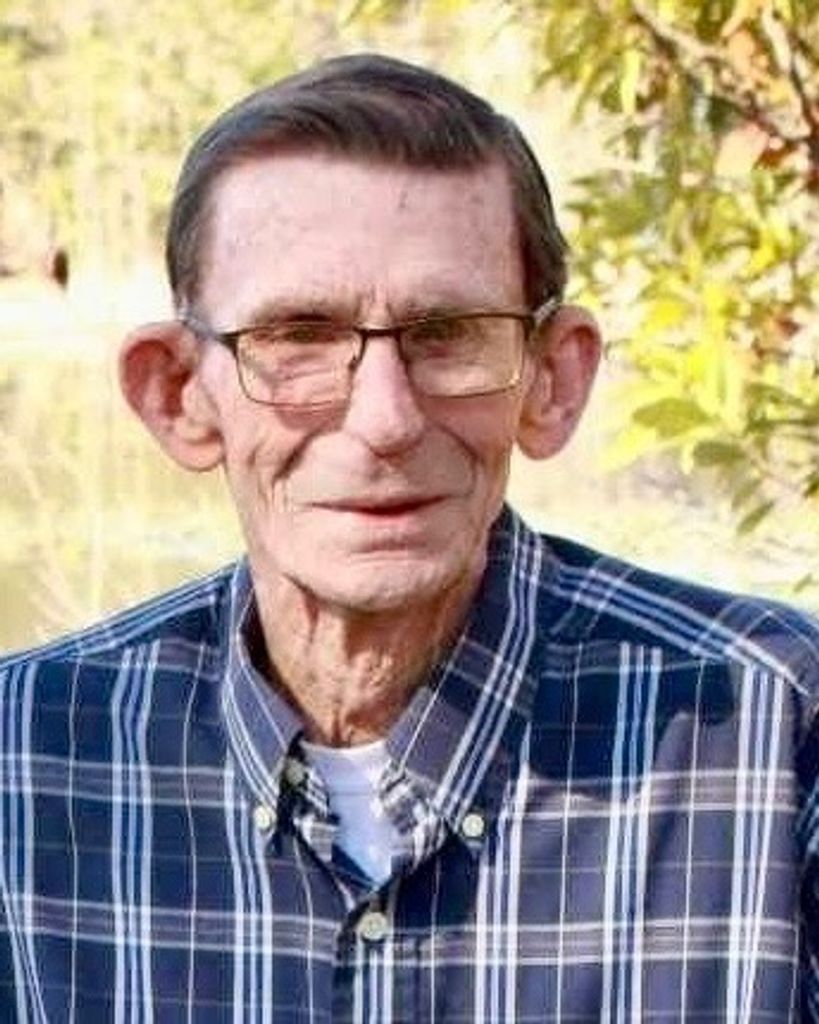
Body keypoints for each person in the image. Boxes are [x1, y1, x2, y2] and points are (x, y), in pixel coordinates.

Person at [0, 53, 817, 1023]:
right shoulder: (25, 758)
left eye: (448, 333)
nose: (384, 420)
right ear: (179, 395)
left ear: (552, 380)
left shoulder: (773, 732)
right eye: (298, 337)